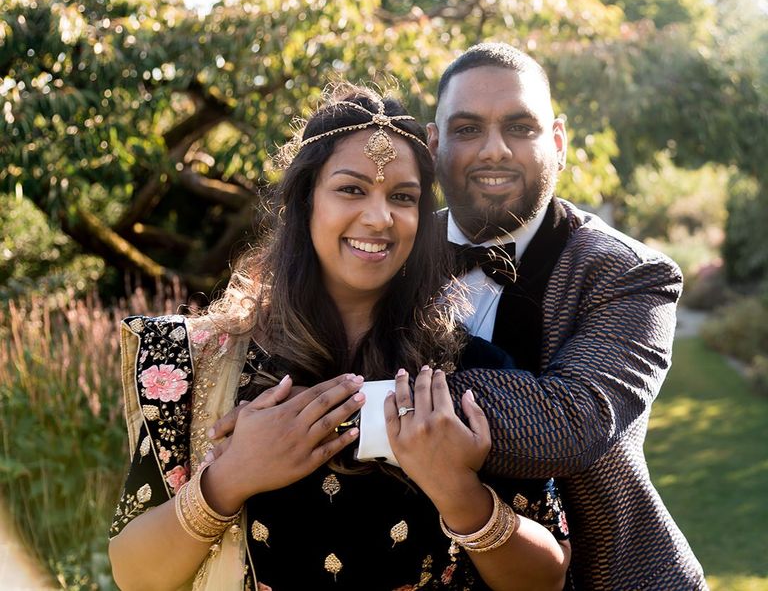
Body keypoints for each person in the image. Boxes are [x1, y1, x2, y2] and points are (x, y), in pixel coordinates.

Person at [108, 85, 570, 591]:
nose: (379, 218)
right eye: (351, 189)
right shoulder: (193, 363)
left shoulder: (467, 369)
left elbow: (547, 577)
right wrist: (230, 478)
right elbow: (134, 576)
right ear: (305, 201)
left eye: (403, 197)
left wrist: (458, 491)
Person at [424, 42, 707, 590]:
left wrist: (367, 388)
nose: (494, 150)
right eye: (466, 129)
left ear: (557, 141)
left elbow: (567, 423)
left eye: (520, 127)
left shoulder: (630, 273)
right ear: (433, 144)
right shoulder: (392, 251)